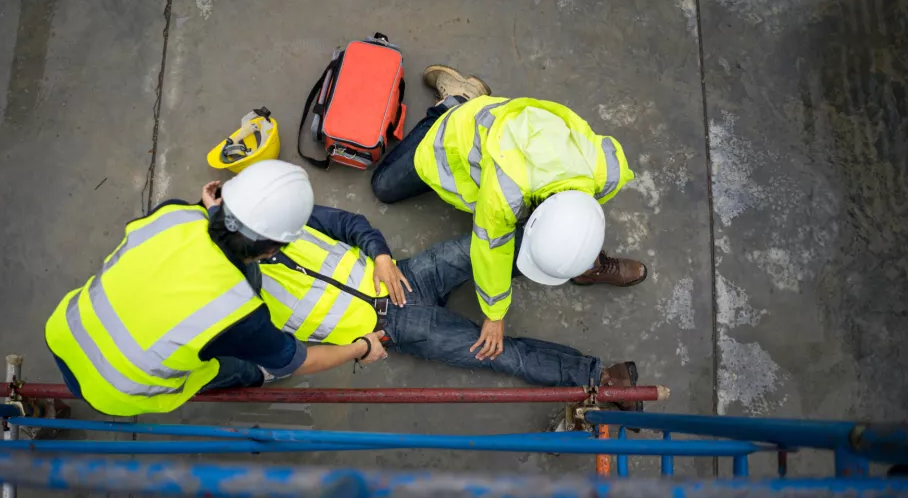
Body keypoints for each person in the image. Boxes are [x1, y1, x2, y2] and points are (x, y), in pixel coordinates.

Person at [43, 160, 387, 417]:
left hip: (66, 329)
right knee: (238, 366)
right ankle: (255, 375)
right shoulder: (239, 312)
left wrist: (212, 214)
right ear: (273, 249)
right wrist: (361, 347)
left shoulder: (173, 213)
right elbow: (299, 362)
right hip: (116, 389)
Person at [221, 196, 642, 403]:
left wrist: (380, 257)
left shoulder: (274, 218)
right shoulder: (238, 310)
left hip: (405, 274)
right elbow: (279, 362)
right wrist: (361, 348)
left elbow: (348, 223)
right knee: (500, 354)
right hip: (395, 330)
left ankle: (579, 263)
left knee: (490, 246)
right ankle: (604, 378)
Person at [371, 65, 648, 361]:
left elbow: (581, 218)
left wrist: (579, 250)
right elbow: (491, 250)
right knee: (384, 187)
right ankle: (456, 101)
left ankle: (589, 264)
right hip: (454, 138)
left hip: (511, 141)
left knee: (556, 238)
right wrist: (495, 314)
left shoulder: (608, 171)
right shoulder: (504, 194)